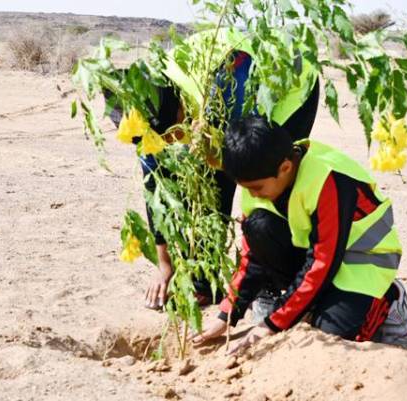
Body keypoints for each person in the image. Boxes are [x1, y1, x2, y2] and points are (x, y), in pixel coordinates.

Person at [107, 30, 321, 310]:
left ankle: (276, 283)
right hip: (218, 106)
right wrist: (164, 266)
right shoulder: (148, 107)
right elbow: (155, 187)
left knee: (266, 180)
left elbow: (241, 157)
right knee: (204, 174)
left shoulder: (228, 84)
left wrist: (217, 158)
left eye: (170, 135)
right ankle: (204, 284)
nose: (171, 142)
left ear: (179, 111)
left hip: (290, 84)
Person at [192, 116, 407, 352]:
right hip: (317, 254)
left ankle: (389, 298)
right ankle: (312, 302)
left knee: (330, 336)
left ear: (285, 168)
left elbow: (323, 261)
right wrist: (228, 313)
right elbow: (251, 256)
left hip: (362, 265)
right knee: (258, 226)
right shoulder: (258, 177)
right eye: (247, 188)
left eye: (257, 188)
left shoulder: (329, 178)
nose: (253, 194)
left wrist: (273, 323)